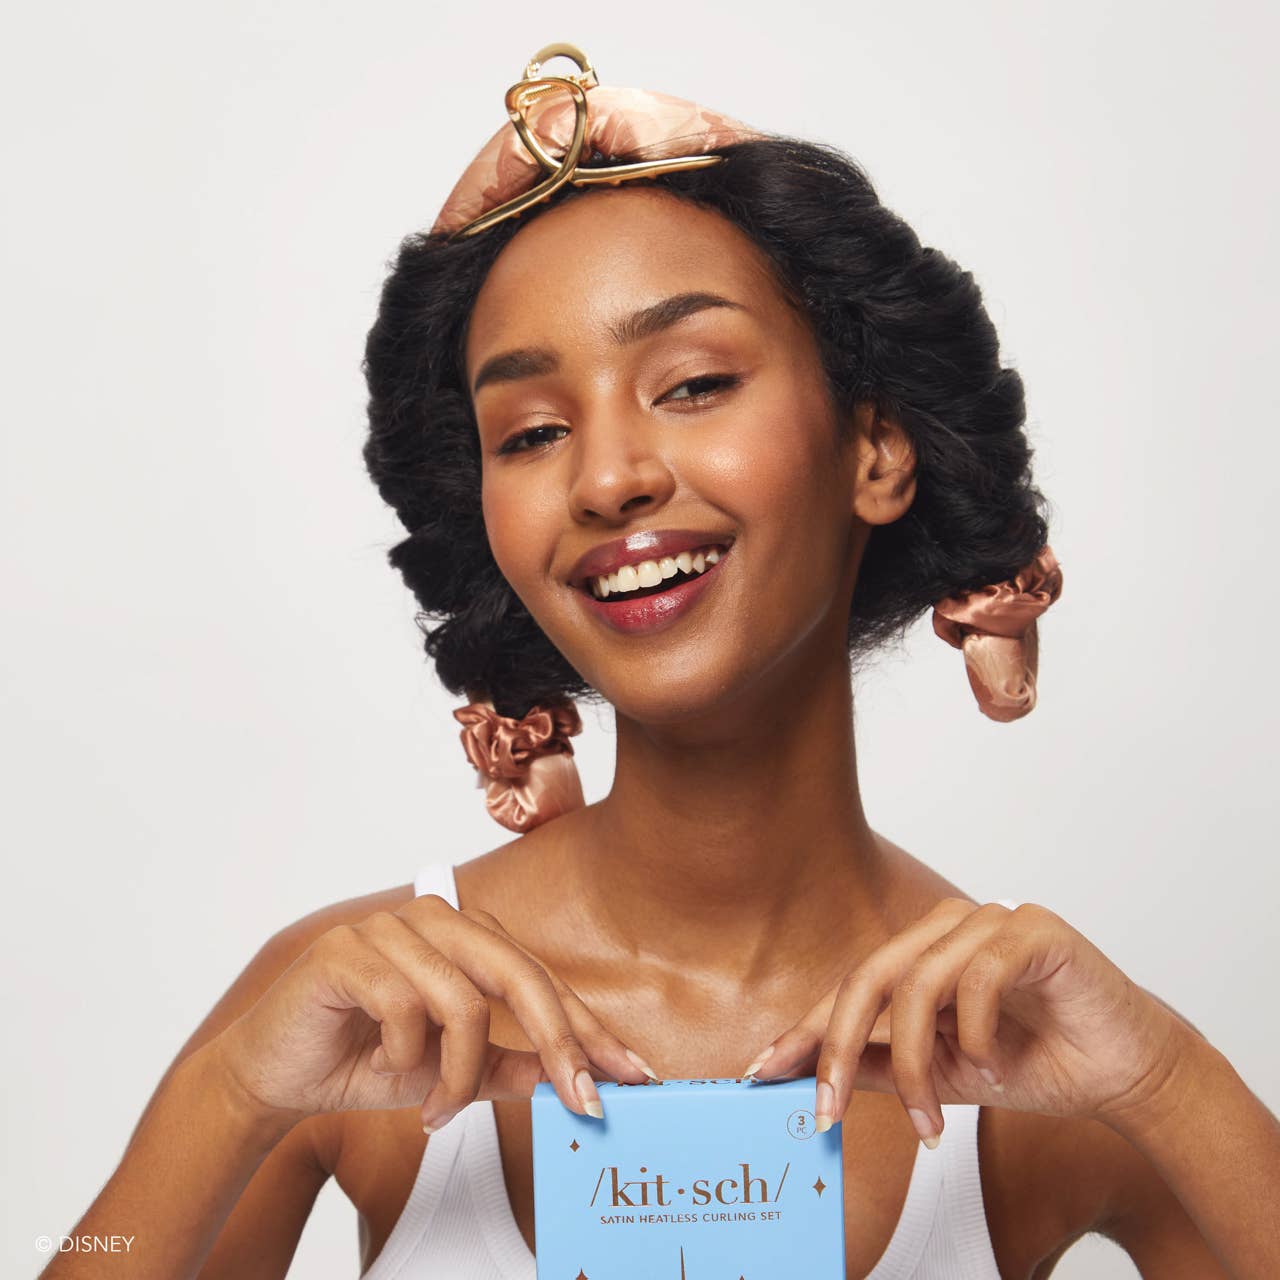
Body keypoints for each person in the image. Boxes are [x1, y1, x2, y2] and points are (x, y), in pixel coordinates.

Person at [43, 41, 1279, 1280]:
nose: (605, 477)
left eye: (689, 383)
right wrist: (224, 1095)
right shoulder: (359, 1014)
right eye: (528, 431)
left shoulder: (1026, 1061)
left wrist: (1171, 1084)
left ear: (877, 450)